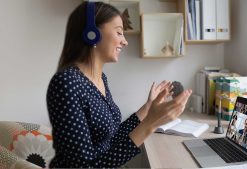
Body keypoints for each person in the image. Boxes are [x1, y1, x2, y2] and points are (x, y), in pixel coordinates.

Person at [46, 2, 192, 168]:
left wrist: (148, 108)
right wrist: (149, 124)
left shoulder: (101, 79)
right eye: (119, 33)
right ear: (91, 34)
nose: (125, 42)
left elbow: (111, 138)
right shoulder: (66, 84)